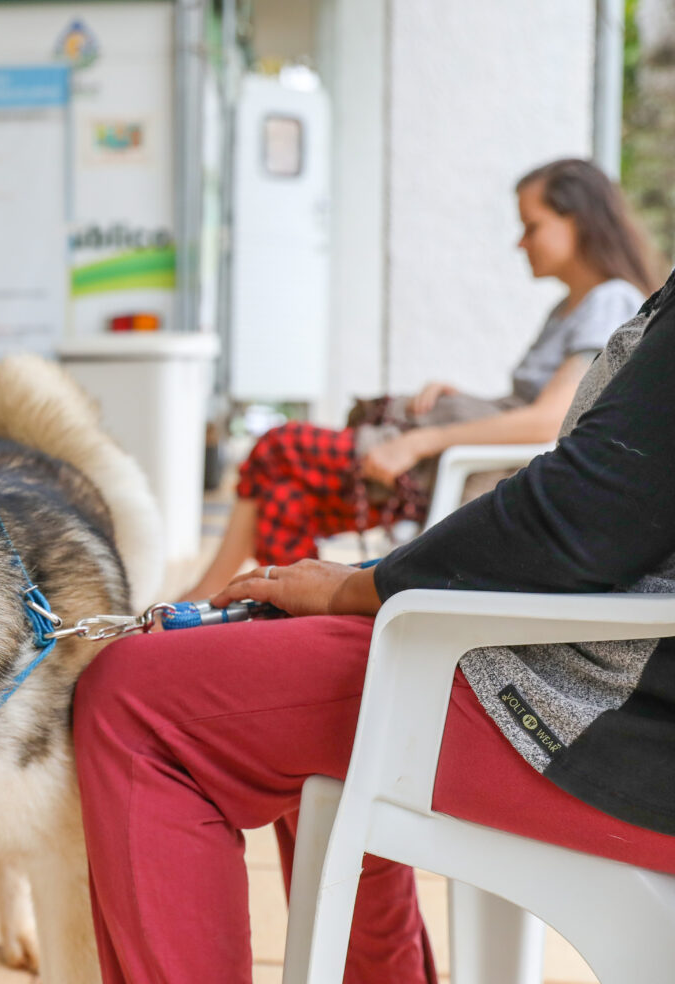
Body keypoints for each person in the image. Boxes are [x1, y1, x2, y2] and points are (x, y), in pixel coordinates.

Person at [72, 268, 675, 983]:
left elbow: (582, 518)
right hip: (606, 689)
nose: (521, 242)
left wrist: (362, 586)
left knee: (136, 701)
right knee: (272, 665)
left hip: (611, 723)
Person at [182, 158, 659, 601]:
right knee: (285, 495)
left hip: (470, 473)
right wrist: (464, 398)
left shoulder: (610, 301)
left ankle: (204, 594)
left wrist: (421, 440)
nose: (520, 242)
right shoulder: (570, 307)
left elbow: (546, 423)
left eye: (531, 226)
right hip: (454, 460)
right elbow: (533, 404)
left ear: (578, 221)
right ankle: (275, 613)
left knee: (279, 446)